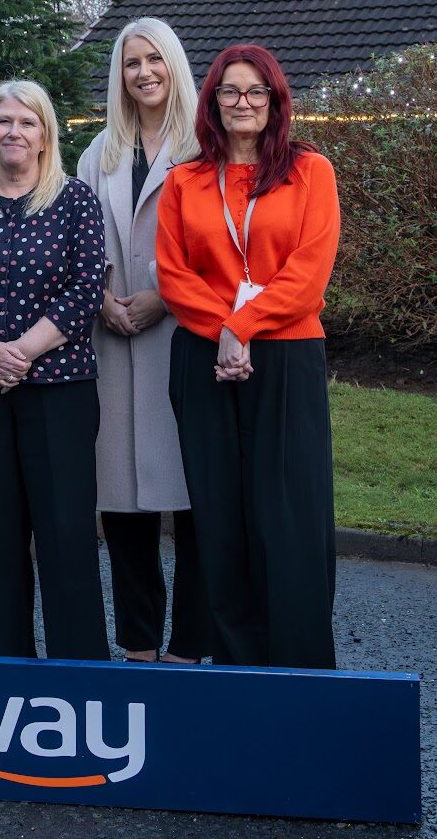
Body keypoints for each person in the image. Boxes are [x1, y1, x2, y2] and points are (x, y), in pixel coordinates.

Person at [156, 43, 341, 670]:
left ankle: (301, 666)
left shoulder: (311, 172)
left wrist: (242, 326)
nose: (243, 102)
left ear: (275, 101)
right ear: (212, 102)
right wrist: (225, 332)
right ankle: (237, 668)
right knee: (219, 515)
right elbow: (173, 275)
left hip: (287, 357)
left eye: (255, 91)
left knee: (289, 514)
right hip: (202, 359)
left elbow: (308, 274)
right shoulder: (184, 181)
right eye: (230, 91)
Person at [0, 79, 110, 661]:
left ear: (45, 135)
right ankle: (0, 666)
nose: (14, 132)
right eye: (3, 121)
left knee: (65, 534)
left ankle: (79, 670)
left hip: (59, 391)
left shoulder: (75, 200)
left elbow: (85, 290)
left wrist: (19, 354)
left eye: (27, 122)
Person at [77, 18, 212, 664]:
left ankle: (188, 644)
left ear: (174, 65)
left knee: (194, 498)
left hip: (183, 337)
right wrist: (100, 297)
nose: (144, 72)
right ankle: (138, 643)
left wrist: (165, 296)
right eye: (132, 62)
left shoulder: (204, 147)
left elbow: (219, 242)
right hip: (112, 339)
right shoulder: (98, 151)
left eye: (155, 59)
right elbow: (78, 239)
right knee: (122, 500)